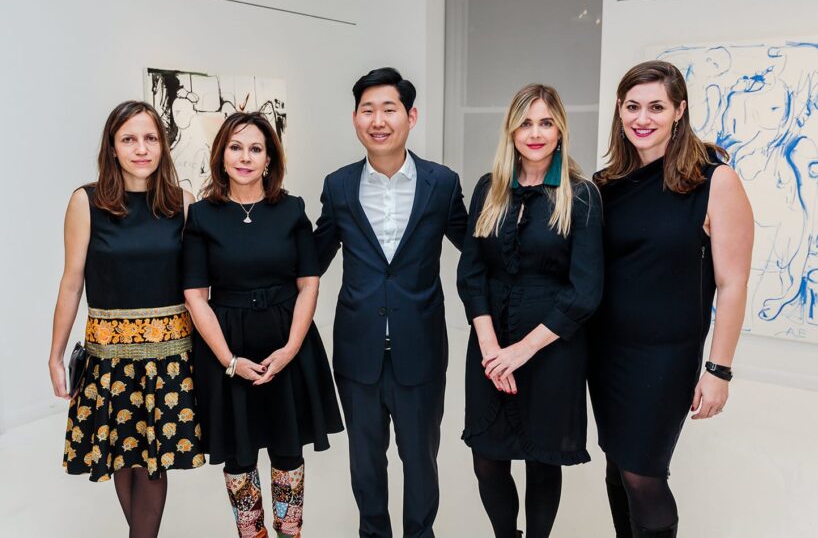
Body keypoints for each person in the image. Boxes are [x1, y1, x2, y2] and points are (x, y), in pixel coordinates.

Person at [589, 60, 753, 538]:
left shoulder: (715, 180)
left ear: (679, 111)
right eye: (633, 106)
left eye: (656, 107)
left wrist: (718, 369)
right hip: (607, 354)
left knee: (644, 474)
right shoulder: (606, 185)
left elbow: (734, 282)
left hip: (664, 359)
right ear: (619, 111)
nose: (643, 118)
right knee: (618, 467)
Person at [314, 67, 468, 538]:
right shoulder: (339, 185)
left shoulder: (440, 184)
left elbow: (477, 248)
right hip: (357, 352)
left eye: (389, 109)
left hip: (419, 349)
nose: (378, 120)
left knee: (421, 463)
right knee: (365, 466)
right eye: (367, 110)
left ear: (411, 116)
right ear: (356, 119)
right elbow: (312, 259)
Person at [183, 111, 343, 538]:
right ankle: (250, 533)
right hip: (226, 346)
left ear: (270, 159)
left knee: (288, 452)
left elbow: (309, 284)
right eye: (236, 147)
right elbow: (196, 297)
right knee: (239, 457)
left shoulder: (291, 210)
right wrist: (229, 360)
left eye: (256, 148)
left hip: (287, 341)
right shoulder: (201, 216)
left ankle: (290, 532)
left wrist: (290, 349)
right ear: (221, 155)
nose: (245, 157)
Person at [49, 100, 204, 538]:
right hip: (109, 357)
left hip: (170, 357)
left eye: (150, 138)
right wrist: (55, 355)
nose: (141, 148)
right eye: (129, 139)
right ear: (112, 147)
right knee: (124, 456)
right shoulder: (87, 201)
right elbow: (71, 283)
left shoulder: (183, 204)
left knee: (152, 462)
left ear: (163, 145)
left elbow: (199, 289)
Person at [457, 84, 603, 537]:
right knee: (488, 459)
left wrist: (520, 352)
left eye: (545, 122)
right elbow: (471, 274)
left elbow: (585, 291)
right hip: (490, 345)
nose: (535, 132)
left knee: (543, 460)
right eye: (525, 122)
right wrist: (490, 348)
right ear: (511, 130)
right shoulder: (489, 188)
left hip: (552, 348)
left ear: (560, 130)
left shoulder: (581, 195)